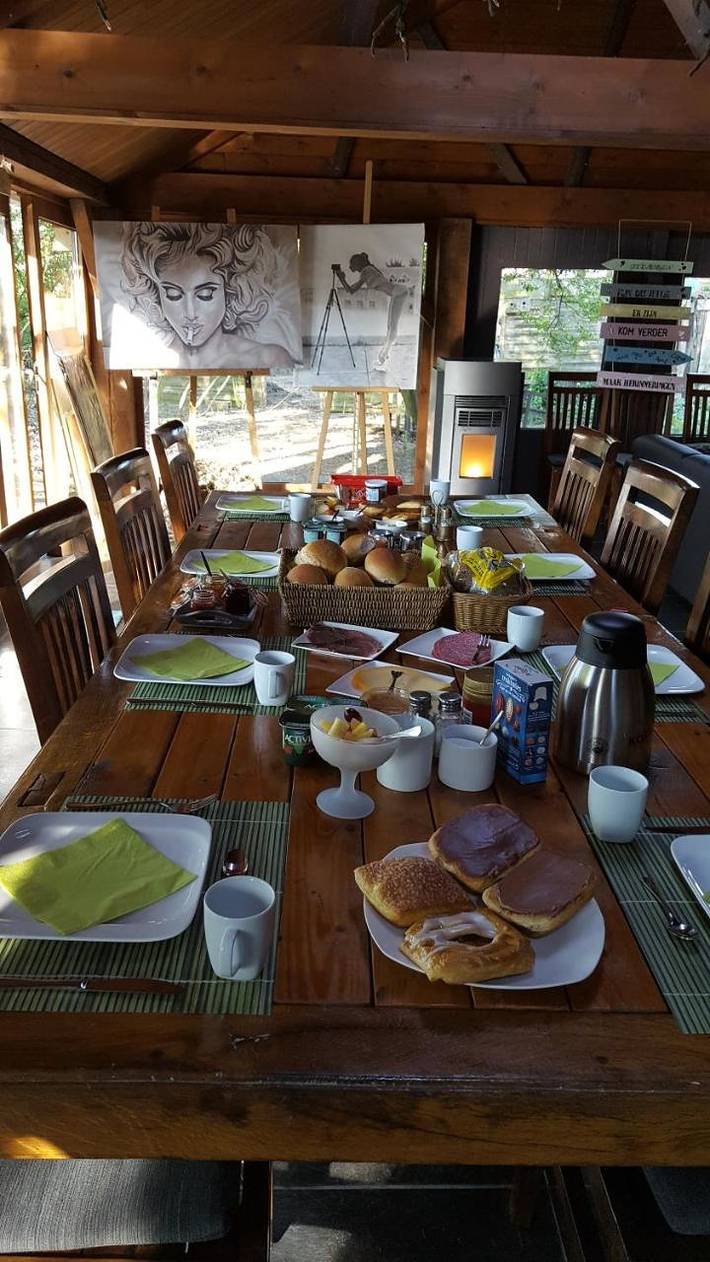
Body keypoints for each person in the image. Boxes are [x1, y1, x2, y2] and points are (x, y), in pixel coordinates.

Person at [121, 222, 297, 368]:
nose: (190, 314)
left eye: (205, 295)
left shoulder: (267, 358)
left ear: (231, 290)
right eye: (173, 295)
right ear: (157, 294)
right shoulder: (144, 360)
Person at [333, 252, 412, 371]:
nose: (350, 267)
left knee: (392, 326)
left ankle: (383, 358)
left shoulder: (366, 271)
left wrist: (342, 278)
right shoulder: (369, 270)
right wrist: (342, 279)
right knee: (391, 326)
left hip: (398, 293)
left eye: (351, 264)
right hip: (399, 292)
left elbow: (352, 290)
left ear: (357, 263)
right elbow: (351, 290)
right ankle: (384, 356)